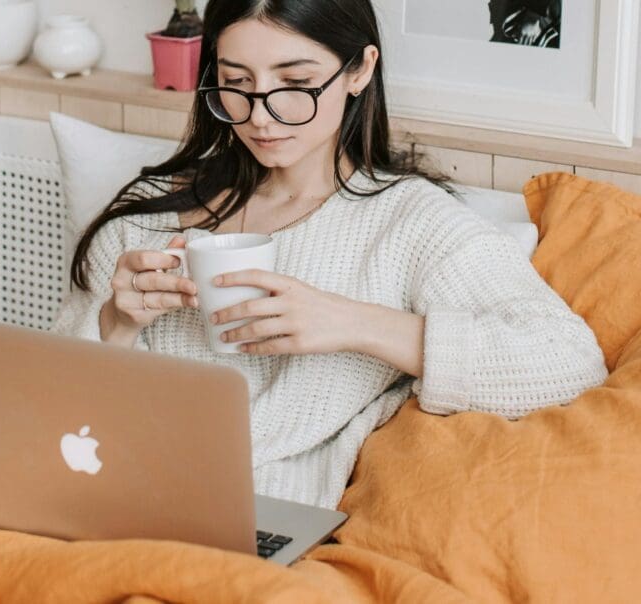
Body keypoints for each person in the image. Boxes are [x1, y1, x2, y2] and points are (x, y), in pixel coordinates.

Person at [50, 0, 606, 509]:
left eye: (295, 83)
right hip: (98, 494)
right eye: (235, 82)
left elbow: (567, 361)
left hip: (250, 519)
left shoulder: (408, 223)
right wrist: (114, 324)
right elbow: (48, 403)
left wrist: (353, 323)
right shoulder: (148, 216)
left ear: (359, 71)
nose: (260, 116)